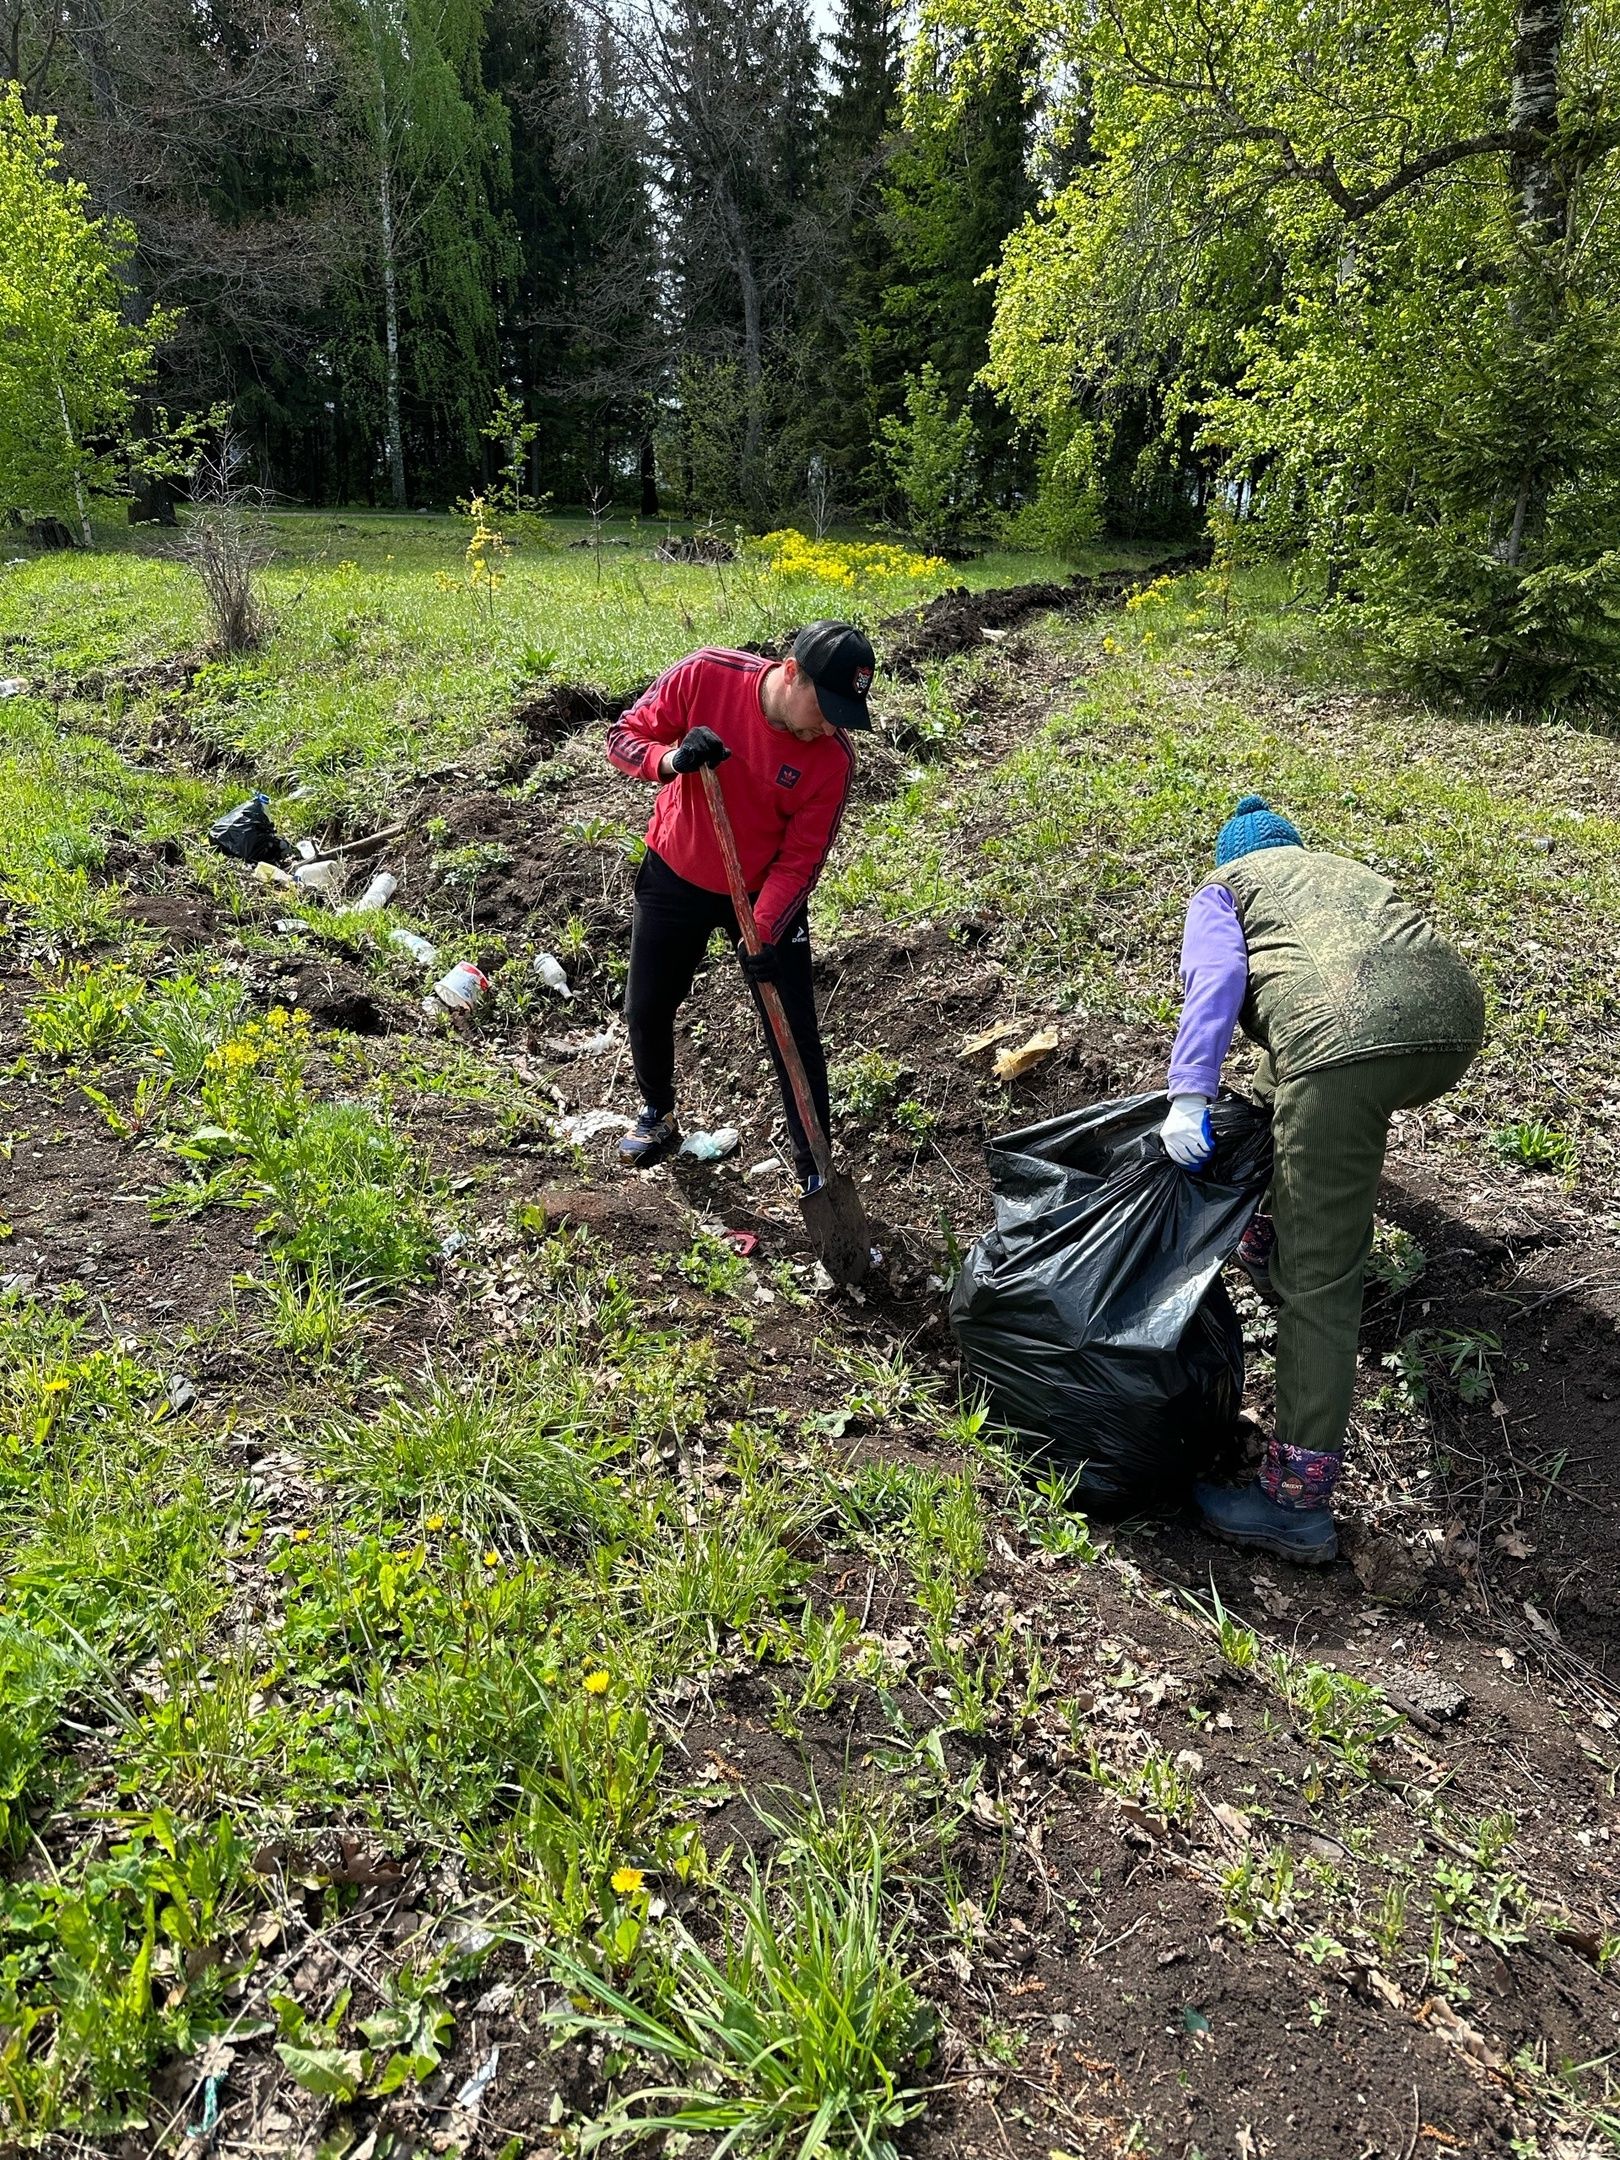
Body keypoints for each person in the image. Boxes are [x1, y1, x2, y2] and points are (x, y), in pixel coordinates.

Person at [1161, 793, 1485, 1564]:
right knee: (1295, 1096)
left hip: (1346, 1042)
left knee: (1318, 1283)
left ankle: (1292, 1505)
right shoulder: (1336, 874)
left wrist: (1189, 1094)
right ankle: (1269, 1234)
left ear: (1229, 855)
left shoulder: (1224, 888)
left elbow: (1215, 983)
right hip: (1451, 1029)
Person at [605, 621, 874, 1188]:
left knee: (793, 1029)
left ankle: (814, 1166)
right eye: (824, 708)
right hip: (677, 868)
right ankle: (658, 1114)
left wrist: (766, 927)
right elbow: (623, 737)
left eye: (842, 716)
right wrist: (673, 760)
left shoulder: (832, 761)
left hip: (760, 891)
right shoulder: (707, 674)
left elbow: (801, 860)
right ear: (791, 671)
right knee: (647, 1004)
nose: (829, 726)